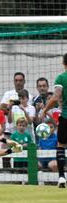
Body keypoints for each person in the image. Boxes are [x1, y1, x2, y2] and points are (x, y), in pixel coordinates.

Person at [41, 53, 67, 188]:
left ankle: (62, 177)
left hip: (65, 117)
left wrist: (45, 110)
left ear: (64, 63)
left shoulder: (61, 78)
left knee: (61, 146)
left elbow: (56, 97)